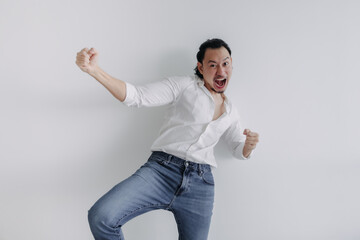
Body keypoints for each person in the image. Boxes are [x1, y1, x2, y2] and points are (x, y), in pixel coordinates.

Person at [75, 38, 259, 240]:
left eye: (225, 64)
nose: (220, 71)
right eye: (212, 65)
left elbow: (236, 148)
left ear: (231, 64)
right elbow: (137, 96)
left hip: (201, 184)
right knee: (102, 216)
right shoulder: (184, 86)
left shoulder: (231, 111)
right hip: (161, 171)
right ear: (200, 67)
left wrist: (247, 147)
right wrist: (94, 70)